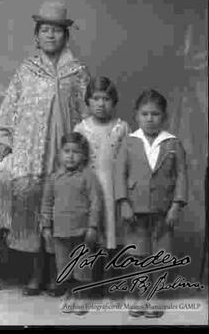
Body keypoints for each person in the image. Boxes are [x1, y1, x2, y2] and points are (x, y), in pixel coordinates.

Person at [0, 1, 90, 295]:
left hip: (64, 152)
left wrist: (89, 147)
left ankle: (59, 275)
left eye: (56, 31)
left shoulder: (76, 72)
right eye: (45, 30)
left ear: (66, 36)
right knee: (34, 210)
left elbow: (86, 112)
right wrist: (5, 141)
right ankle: (35, 274)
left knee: (62, 211)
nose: (50, 36)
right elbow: (11, 107)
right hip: (32, 150)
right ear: (36, 36)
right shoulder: (26, 70)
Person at [115, 89, 188, 318]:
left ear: (164, 117)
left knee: (161, 255)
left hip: (164, 211)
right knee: (138, 255)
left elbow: (182, 177)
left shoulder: (173, 144)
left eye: (155, 114)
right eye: (145, 113)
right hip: (135, 211)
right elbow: (119, 175)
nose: (149, 118)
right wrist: (123, 202)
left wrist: (177, 205)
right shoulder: (129, 142)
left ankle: (155, 296)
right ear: (136, 116)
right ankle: (140, 294)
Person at [74, 77, 130, 298]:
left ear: (113, 101)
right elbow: (76, 160)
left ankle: (116, 285)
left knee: (115, 238)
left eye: (106, 99)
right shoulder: (82, 128)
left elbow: (128, 160)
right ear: (88, 101)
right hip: (91, 190)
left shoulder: (122, 127)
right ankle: (96, 287)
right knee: (94, 239)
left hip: (115, 190)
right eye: (96, 98)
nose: (101, 104)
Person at [41, 132, 103, 315]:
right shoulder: (53, 178)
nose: (70, 155)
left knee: (82, 267)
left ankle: (82, 297)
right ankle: (70, 293)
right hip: (60, 232)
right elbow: (46, 203)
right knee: (64, 266)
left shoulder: (88, 176)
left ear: (84, 155)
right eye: (66, 151)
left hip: (82, 232)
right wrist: (46, 226)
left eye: (76, 152)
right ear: (59, 153)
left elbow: (96, 203)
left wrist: (92, 226)